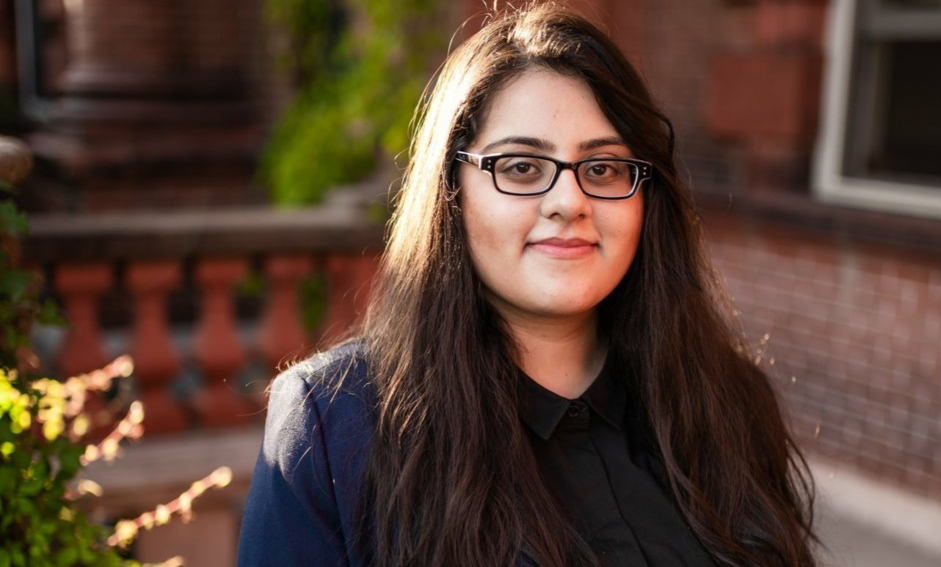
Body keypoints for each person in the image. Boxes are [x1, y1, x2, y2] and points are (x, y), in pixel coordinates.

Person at [237, 4, 818, 567]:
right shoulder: (334, 427)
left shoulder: (729, 404)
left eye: (604, 168)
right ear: (451, 192)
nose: (569, 201)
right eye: (520, 167)